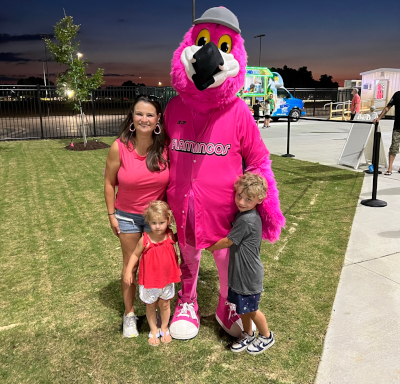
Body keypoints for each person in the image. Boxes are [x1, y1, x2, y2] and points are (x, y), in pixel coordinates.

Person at [104, 96, 169, 338]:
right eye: (139, 114)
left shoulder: (165, 147)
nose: (144, 119)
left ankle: (160, 309)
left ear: (158, 119)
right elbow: (109, 183)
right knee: (130, 265)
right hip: (128, 217)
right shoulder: (119, 147)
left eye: (150, 115)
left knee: (158, 266)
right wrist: (112, 215)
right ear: (132, 117)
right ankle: (129, 314)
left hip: (157, 221)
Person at [206, 173, 275, 355]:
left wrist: (210, 247)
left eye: (248, 199)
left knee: (252, 310)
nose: (242, 202)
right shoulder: (244, 214)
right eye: (239, 196)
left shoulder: (247, 219)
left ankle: (266, 336)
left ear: (259, 200)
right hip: (239, 273)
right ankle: (248, 334)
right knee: (242, 308)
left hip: (249, 274)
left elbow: (228, 241)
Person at [124, 201, 181, 346]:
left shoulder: (170, 236)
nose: (157, 226)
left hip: (167, 280)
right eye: (154, 222)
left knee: (165, 304)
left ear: (168, 221)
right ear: (148, 222)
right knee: (150, 306)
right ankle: (153, 329)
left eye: (161, 222)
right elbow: (135, 255)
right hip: (150, 281)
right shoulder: (145, 239)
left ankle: (164, 327)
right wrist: (128, 271)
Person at [373, 91, 400, 175]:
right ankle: (390, 168)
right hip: (398, 127)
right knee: (394, 147)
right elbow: (388, 107)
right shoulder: (397, 95)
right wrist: (379, 118)